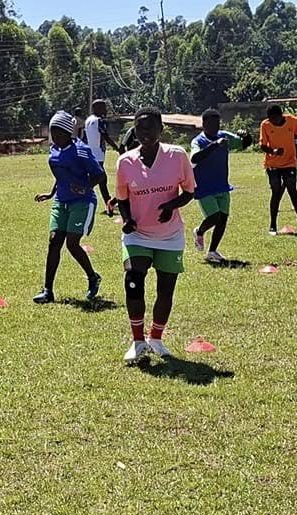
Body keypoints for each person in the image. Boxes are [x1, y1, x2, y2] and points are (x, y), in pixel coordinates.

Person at [113, 107, 198, 364]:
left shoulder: (177, 156)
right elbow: (122, 198)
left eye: (150, 127)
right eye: (139, 127)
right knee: (133, 279)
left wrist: (171, 206)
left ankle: (156, 339)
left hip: (170, 235)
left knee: (165, 289)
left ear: (161, 129)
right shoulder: (125, 162)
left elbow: (189, 192)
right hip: (137, 235)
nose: (145, 132)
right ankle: (138, 341)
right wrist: (127, 220)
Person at [33, 110, 107, 303]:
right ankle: (48, 291)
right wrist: (51, 194)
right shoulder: (54, 151)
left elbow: (100, 175)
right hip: (61, 200)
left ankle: (93, 277)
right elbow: (61, 176)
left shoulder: (81, 150)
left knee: (72, 243)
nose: (55, 136)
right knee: (54, 241)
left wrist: (84, 188)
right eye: (52, 132)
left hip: (82, 202)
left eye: (58, 132)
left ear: (68, 132)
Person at [190, 108, 244, 262]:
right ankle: (199, 231)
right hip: (204, 187)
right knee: (214, 217)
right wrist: (214, 145)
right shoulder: (198, 141)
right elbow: (194, 158)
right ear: (204, 124)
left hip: (222, 185)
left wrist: (245, 136)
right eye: (212, 124)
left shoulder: (224, 135)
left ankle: (212, 251)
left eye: (217, 124)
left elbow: (242, 143)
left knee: (223, 219)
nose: (215, 127)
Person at [258, 104, 297, 235]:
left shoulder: (292, 121)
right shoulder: (265, 125)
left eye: (275, 119)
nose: (273, 122)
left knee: (292, 189)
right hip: (272, 164)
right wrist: (273, 151)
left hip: (289, 162)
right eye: (270, 119)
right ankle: (273, 225)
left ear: (281, 116)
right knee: (276, 191)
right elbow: (262, 145)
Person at [84, 99, 110, 170]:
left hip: (90, 151)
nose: (105, 110)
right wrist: (117, 148)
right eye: (104, 108)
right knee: (100, 173)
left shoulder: (88, 119)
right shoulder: (99, 120)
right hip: (98, 152)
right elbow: (105, 136)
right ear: (98, 108)